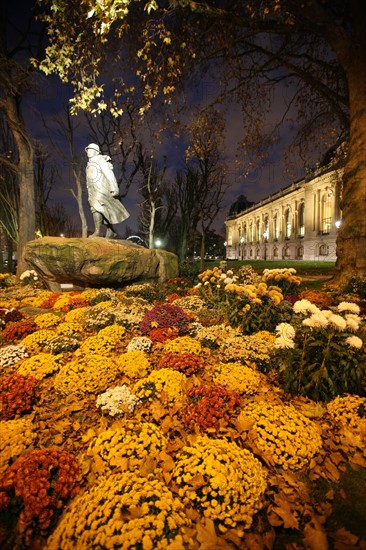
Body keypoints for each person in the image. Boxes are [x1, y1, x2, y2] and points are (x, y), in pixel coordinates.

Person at [85, 143, 130, 238]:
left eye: (91, 150)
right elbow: (89, 181)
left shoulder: (100, 161)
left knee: (95, 207)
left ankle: (98, 232)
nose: (88, 152)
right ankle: (111, 231)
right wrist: (89, 193)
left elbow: (109, 174)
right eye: (88, 150)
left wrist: (114, 187)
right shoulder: (89, 164)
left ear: (96, 152)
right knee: (102, 209)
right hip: (93, 190)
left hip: (102, 189)